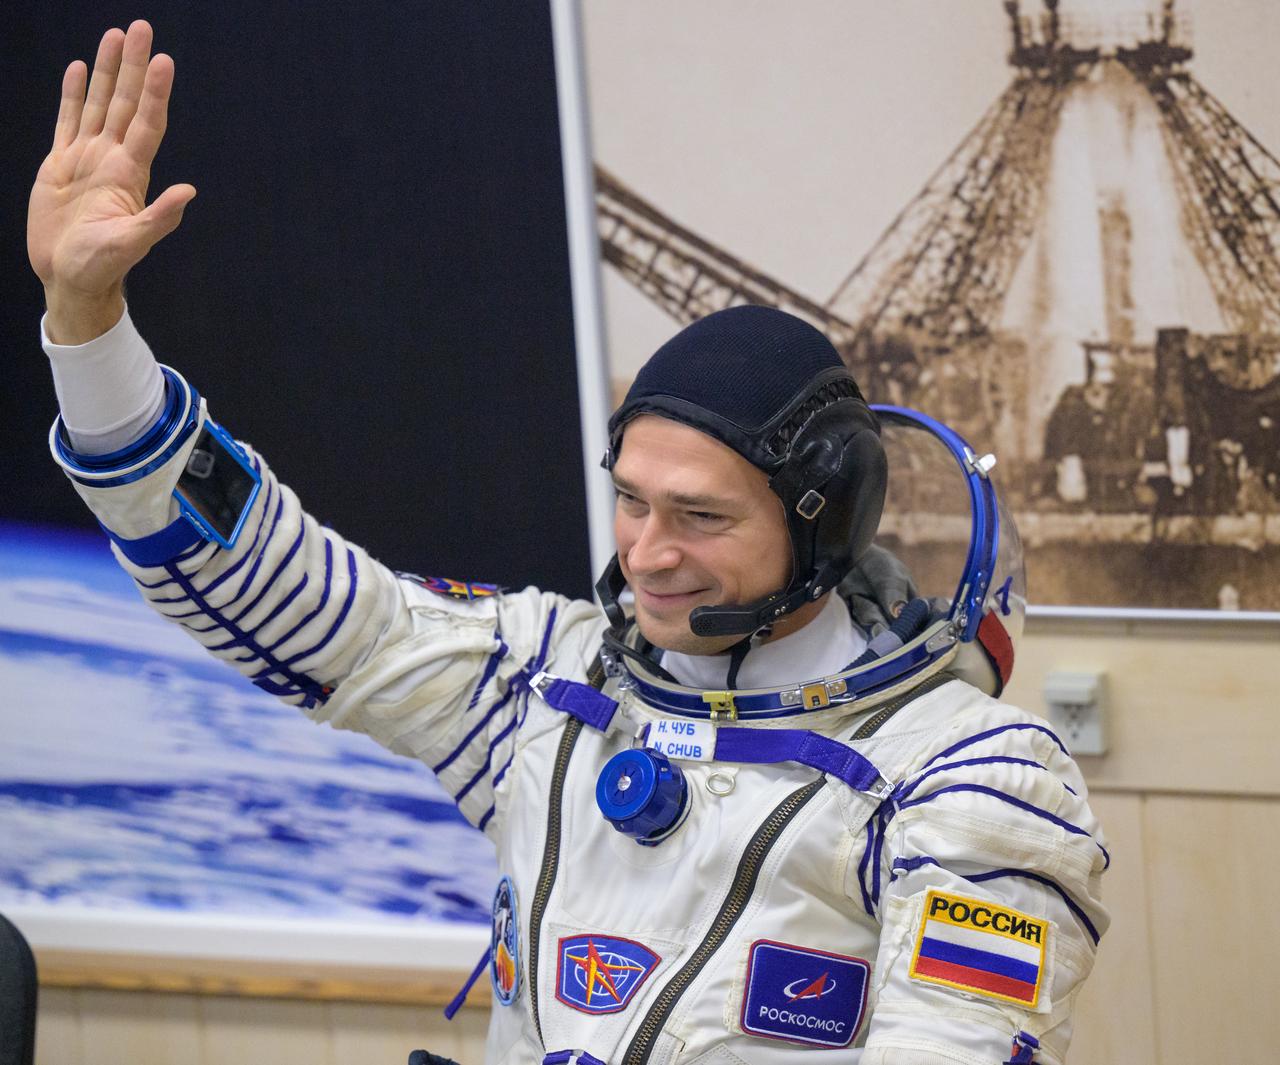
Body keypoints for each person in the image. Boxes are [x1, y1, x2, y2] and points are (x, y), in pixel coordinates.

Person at [30, 22, 1108, 1065]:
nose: (645, 553)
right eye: (631, 502)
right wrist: (89, 325)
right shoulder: (543, 686)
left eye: (700, 517)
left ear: (823, 523)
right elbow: (268, 585)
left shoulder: (969, 779)